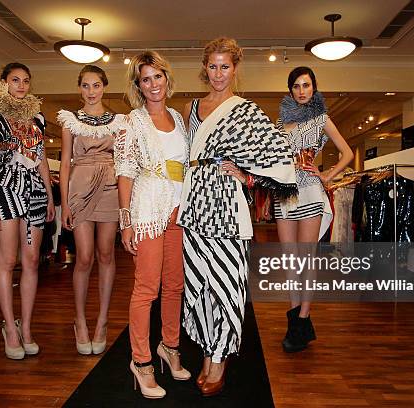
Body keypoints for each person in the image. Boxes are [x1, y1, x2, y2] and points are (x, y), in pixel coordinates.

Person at [179, 37, 298, 396]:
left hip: (227, 204)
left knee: (227, 282)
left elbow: (280, 158)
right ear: (205, 68)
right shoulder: (191, 107)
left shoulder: (245, 110)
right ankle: (206, 348)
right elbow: (186, 154)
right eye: (212, 66)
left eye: (225, 66)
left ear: (235, 69)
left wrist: (247, 176)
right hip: (194, 201)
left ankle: (219, 357)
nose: (218, 73)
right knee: (198, 281)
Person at [114, 51, 191, 399]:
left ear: (166, 78)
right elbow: (125, 172)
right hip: (147, 210)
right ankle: (141, 361)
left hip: (179, 211)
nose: (153, 84)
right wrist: (126, 221)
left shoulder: (178, 116)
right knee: (147, 289)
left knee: (175, 286)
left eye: (158, 76)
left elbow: (188, 165)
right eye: (146, 79)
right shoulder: (132, 122)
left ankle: (169, 347)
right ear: (139, 86)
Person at [0, 62, 55, 360]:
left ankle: (26, 328)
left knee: (32, 260)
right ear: (3, 82)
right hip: (5, 188)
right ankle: (9, 328)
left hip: (34, 189)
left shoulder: (37, 118)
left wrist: (50, 196)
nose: (21, 85)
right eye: (15, 80)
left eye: (25, 80)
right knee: (8, 260)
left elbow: (42, 159)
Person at [275, 66, 353, 352]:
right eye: (296, 86)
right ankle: (297, 322)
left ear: (314, 87)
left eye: (306, 85)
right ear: (290, 90)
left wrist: (327, 175)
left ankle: (303, 318)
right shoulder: (279, 124)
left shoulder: (321, 119)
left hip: (309, 190)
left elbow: (347, 153)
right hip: (284, 194)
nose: (301, 91)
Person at [57, 65, 126, 355]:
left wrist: (126, 203)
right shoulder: (70, 121)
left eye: (96, 85)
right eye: (85, 86)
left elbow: (124, 163)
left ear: (104, 86)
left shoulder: (120, 121)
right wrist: (63, 204)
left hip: (111, 187)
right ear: (79, 89)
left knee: (106, 255)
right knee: (83, 257)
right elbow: (63, 164)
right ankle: (80, 321)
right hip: (80, 189)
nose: (91, 91)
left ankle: (102, 322)